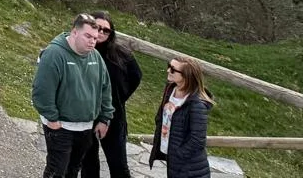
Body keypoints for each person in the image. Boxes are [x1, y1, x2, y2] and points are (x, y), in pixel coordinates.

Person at [33, 13, 114, 178]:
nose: (93, 41)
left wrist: (105, 118)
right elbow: (42, 90)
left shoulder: (96, 57)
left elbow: (105, 88)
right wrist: (52, 119)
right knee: (57, 171)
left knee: (73, 169)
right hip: (61, 127)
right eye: (88, 36)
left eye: (95, 37)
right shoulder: (54, 54)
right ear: (74, 32)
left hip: (85, 127)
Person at [82, 13, 141, 178]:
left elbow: (136, 76)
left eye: (105, 30)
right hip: (85, 115)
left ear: (111, 33)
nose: (100, 33)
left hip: (112, 116)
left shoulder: (121, 54)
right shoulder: (82, 50)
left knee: (118, 165)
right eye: (97, 28)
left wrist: (120, 97)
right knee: (88, 163)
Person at [149, 56, 213, 178]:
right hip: (174, 161)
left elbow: (197, 141)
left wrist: (178, 154)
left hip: (189, 168)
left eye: (173, 69)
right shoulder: (170, 90)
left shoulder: (197, 105)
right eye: (169, 66)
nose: (168, 70)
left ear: (186, 76)